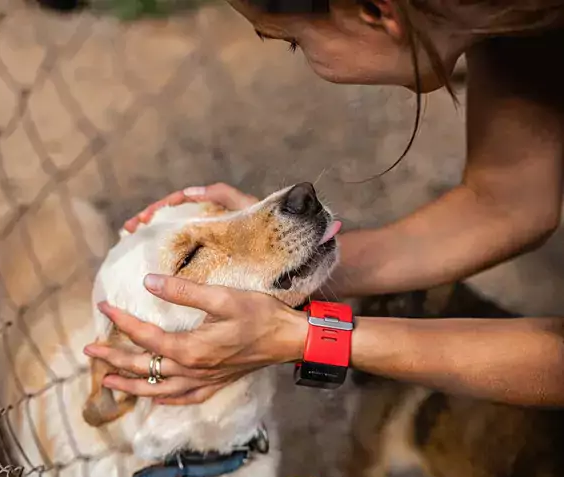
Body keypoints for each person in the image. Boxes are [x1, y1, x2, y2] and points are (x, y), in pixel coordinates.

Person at [83, 0, 564, 407]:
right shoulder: (510, 20)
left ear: (377, 11)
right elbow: (505, 202)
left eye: (293, 40)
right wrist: (294, 260)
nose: (302, 55)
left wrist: (308, 337)